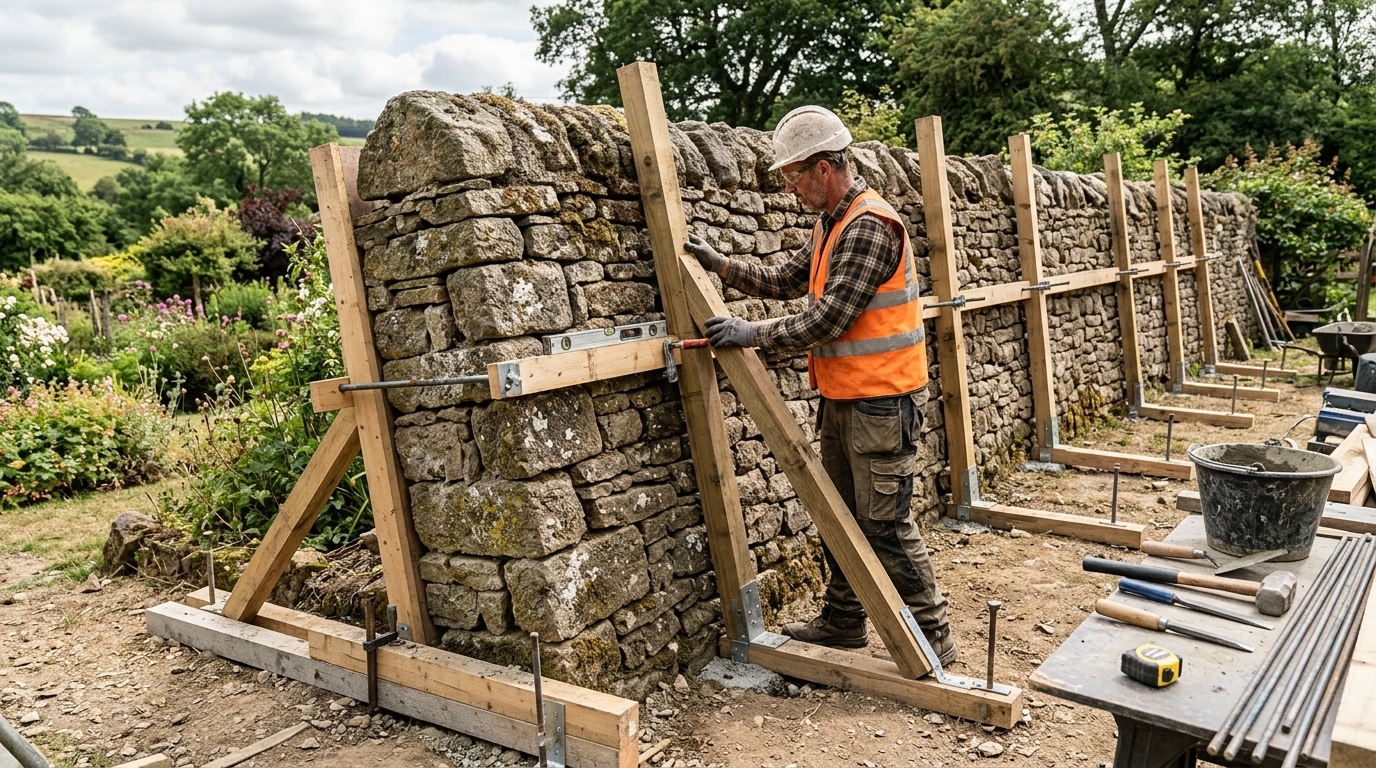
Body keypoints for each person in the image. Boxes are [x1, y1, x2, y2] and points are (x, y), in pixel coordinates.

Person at [683, 105, 956, 665]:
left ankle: (935, 642)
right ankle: (843, 622)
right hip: (844, 398)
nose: (789, 187)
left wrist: (750, 332)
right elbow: (788, 277)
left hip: (882, 402)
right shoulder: (831, 224)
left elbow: (829, 319)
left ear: (824, 169)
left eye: (793, 175)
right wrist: (722, 265)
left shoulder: (871, 226)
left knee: (885, 525)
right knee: (838, 514)